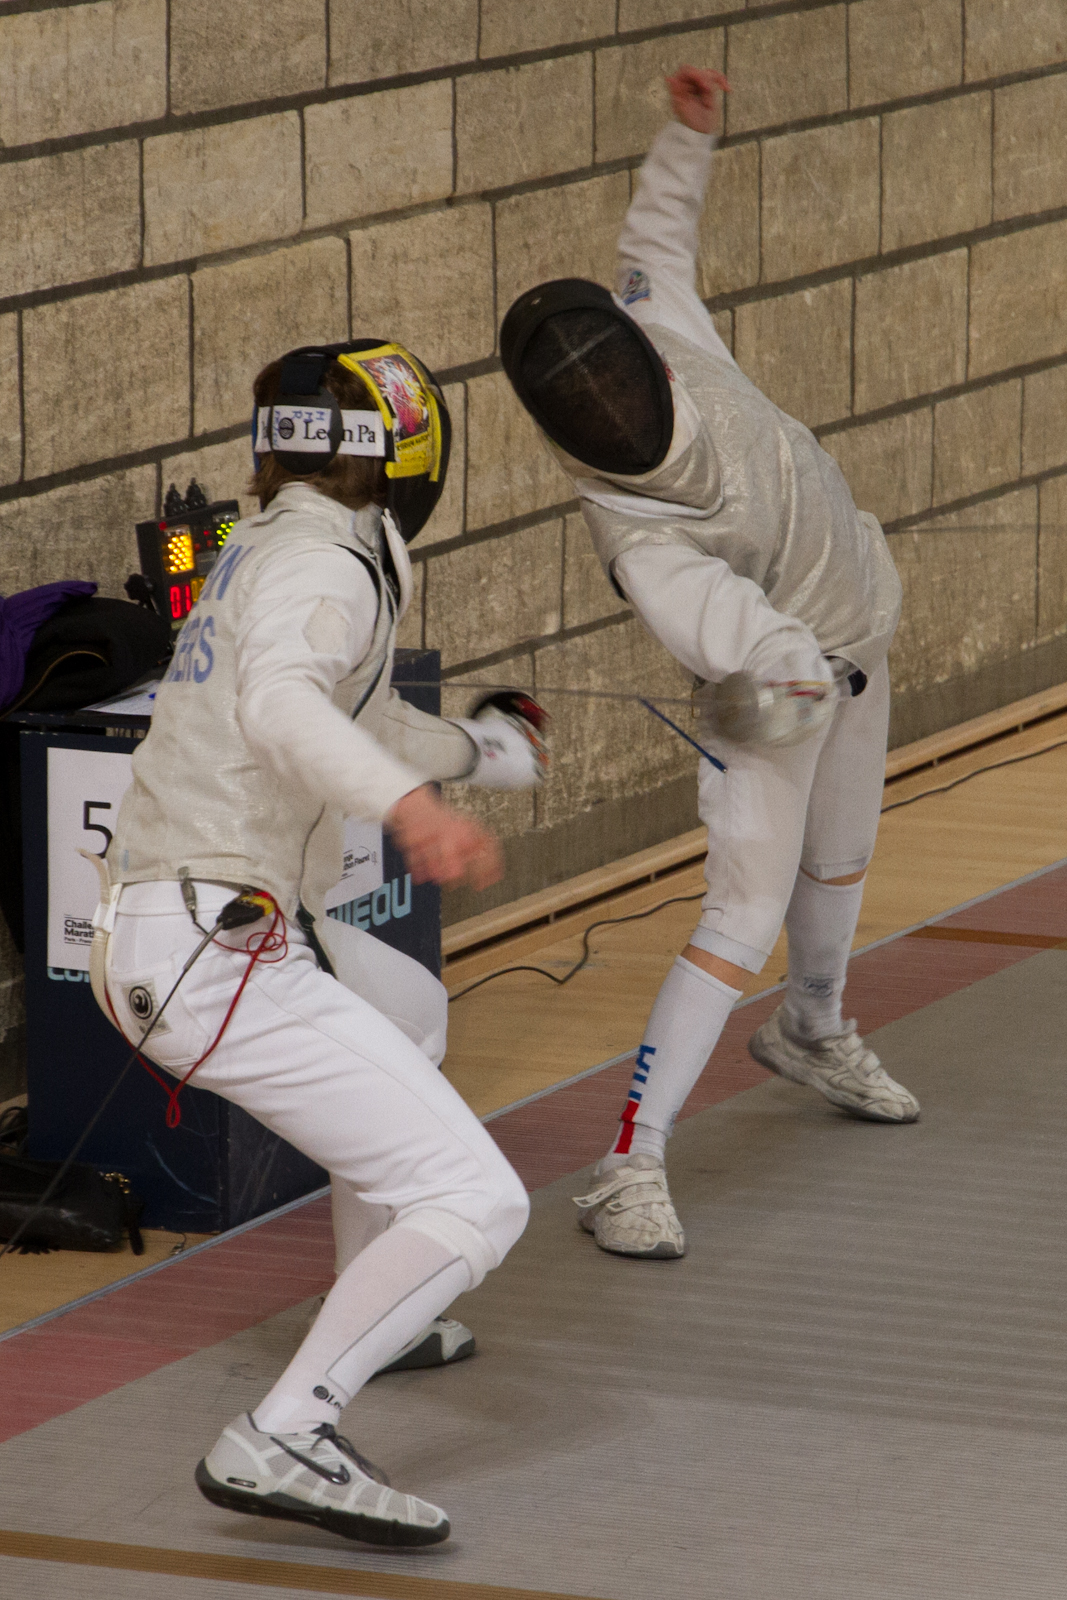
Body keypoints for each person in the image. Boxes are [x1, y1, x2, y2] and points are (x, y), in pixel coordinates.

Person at [88, 340, 548, 1545]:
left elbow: (360, 709)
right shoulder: (321, 566)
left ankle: (379, 1307)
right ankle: (286, 1430)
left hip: (184, 928)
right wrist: (409, 809)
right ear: (403, 454)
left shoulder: (274, 545)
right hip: (209, 950)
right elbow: (283, 705)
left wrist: (472, 750)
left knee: (407, 1014)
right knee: (476, 1196)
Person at [499, 68, 918, 1262]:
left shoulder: (664, 329)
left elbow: (653, 243)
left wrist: (685, 139)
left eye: (608, 370)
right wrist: (791, 671)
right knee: (740, 912)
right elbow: (736, 634)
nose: (608, 397)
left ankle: (810, 1028)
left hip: (859, 632)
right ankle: (626, 1167)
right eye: (590, 397)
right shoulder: (639, 538)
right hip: (775, 697)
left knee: (839, 861)